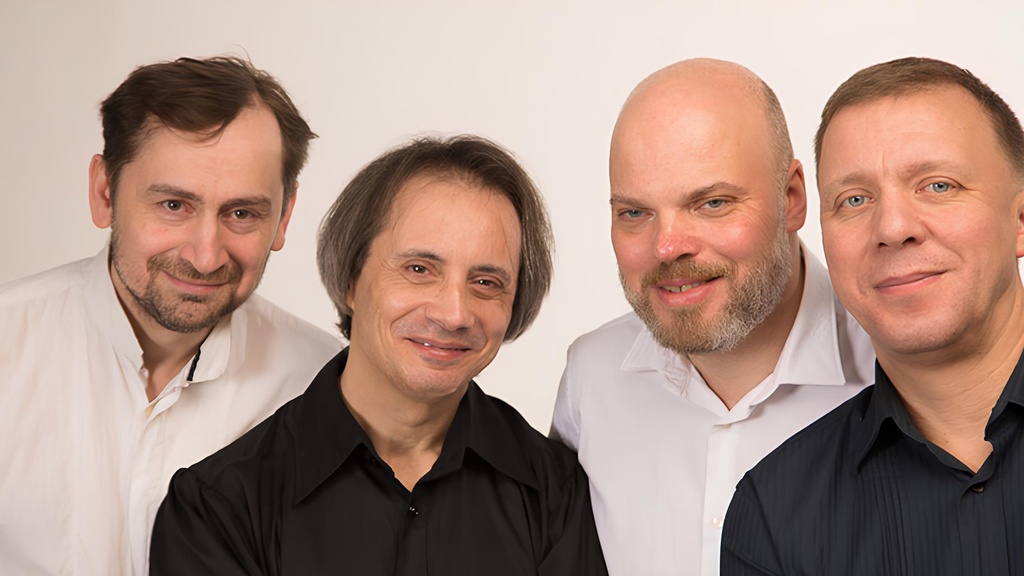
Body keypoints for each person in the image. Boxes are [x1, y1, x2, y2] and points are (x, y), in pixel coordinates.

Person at [150, 135, 609, 575]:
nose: (454, 313)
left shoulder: (558, 492)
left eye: (486, 282)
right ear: (352, 280)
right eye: (419, 269)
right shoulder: (218, 509)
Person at [0, 56, 342, 575]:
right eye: (174, 205)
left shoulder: (325, 387)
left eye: (242, 213)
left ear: (283, 216)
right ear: (105, 192)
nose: (205, 257)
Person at [549, 58, 874, 575]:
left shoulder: (894, 368)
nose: (667, 247)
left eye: (712, 203)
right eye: (635, 213)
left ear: (791, 198)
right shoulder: (591, 378)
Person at [721, 56, 1024, 575]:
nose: (893, 227)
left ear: (1019, 219)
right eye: (854, 199)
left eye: (938, 185)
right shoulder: (774, 514)